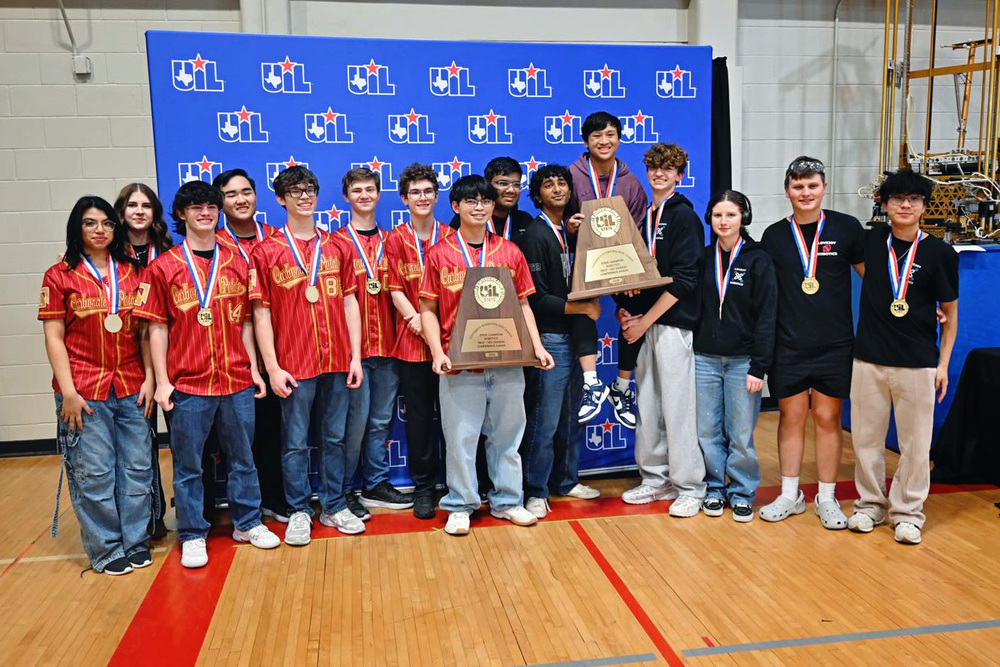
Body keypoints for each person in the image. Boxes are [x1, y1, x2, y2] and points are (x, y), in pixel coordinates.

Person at [136, 180, 280, 569]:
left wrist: (254, 368)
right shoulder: (162, 267)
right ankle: (192, 533)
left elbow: (247, 321)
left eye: (211, 207)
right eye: (196, 207)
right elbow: (157, 329)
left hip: (235, 379)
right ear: (181, 215)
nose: (205, 213)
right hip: (189, 384)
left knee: (243, 458)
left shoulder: (237, 260)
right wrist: (164, 381)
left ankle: (247, 522)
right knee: (189, 465)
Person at [420, 175, 554, 536]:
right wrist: (437, 352)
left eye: (485, 201)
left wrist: (536, 347)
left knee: (508, 437)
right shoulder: (439, 254)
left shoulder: (510, 252)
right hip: (460, 365)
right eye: (470, 201)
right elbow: (428, 309)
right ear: (455, 206)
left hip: (508, 361)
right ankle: (461, 504)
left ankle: (508, 501)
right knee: (461, 439)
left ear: (494, 207)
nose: (479, 207)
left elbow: (525, 303)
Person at [250, 166, 365, 546]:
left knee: (334, 438)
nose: (304, 196)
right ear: (280, 198)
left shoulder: (338, 246)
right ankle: (300, 509)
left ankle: (333, 504)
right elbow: (261, 312)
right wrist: (272, 367)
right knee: (295, 441)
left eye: (310, 189)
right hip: (293, 364)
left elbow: (351, 302)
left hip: (336, 360)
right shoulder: (265, 251)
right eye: (295, 191)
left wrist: (355, 356)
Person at [39, 196, 154, 576]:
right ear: (78, 229)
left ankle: (136, 540)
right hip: (84, 390)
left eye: (106, 222)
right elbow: (54, 336)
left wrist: (151, 378)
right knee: (96, 472)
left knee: (137, 469)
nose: (100, 230)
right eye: (90, 223)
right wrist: (68, 392)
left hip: (132, 385)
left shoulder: (133, 272)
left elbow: (144, 334)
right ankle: (106, 548)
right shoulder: (59, 275)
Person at [847, 169, 958, 544]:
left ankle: (908, 513)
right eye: (898, 199)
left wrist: (941, 365)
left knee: (915, 444)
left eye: (913, 199)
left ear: (924, 207)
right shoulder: (870, 243)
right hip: (869, 360)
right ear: (884, 205)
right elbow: (870, 276)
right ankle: (869, 506)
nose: (905, 205)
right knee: (865, 440)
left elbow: (950, 316)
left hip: (917, 363)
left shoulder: (941, 253)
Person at [758, 156, 865, 529]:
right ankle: (790, 493)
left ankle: (827, 496)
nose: (806, 193)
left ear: (824, 187)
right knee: (791, 416)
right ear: (787, 190)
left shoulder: (847, 228)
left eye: (812, 185)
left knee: (827, 417)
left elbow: (878, 280)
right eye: (798, 186)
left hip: (835, 344)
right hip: (788, 344)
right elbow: (761, 290)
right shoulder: (773, 235)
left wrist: (919, 306)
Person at [619, 144, 706, 515]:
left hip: (672, 325)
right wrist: (626, 311)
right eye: (654, 168)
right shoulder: (645, 216)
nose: (659, 174)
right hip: (645, 323)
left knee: (677, 407)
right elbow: (635, 274)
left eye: (668, 169)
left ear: (679, 175)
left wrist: (644, 321)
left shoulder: (684, 217)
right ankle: (656, 479)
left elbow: (686, 280)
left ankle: (690, 485)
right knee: (650, 404)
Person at [518, 164, 603, 518]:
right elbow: (535, 297)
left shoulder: (568, 232)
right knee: (545, 418)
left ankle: (566, 480)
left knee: (571, 415)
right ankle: (535, 489)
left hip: (575, 335)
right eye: (548, 185)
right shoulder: (535, 235)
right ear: (537, 194)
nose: (557, 189)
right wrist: (579, 306)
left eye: (562, 183)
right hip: (549, 337)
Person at [335, 168, 413, 519]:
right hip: (353, 352)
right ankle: (343, 491)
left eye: (370, 189)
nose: (364, 195)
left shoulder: (394, 240)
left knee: (380, 422)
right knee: (353, 426)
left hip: (391, 345)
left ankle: (375, 484)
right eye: (357, 190)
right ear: (346, 197)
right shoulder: (335, 243)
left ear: (379, 195)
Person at [694, 191, 777, 522]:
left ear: (744, 217)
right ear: (710, 219)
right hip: (705, 359)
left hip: (744, 361)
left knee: (740, 432)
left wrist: (760, 366)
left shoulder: (759, 259)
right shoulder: (702, 258)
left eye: (730, 215)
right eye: (717, 215)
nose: (724, 222)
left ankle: (742, 491)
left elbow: (768, 316)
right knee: (707, 430)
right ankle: (715, 488)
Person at [212, 169, 286, 524]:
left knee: (274, 432)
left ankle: (273, 498)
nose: (241, 199)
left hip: (278, 352)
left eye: (246, 191)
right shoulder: (210, 243)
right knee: (236, 439)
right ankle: (238, 508)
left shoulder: (276, 238)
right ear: (219, 203)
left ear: (257, 196)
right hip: (230, 355)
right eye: (231, 194)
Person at [567, 112, 650, 428]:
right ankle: (592, 383)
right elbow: (558, 219)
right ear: (586, 141)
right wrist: (569, 224)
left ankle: (623, 384)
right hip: (582, 263)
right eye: (597, 136)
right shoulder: (572, 176)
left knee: (636, 305)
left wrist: (632, 275)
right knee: (581, 306)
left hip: (619, 261)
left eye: (611, 134)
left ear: (619, 138)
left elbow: (638, 230)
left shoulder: (630, 182)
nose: (604, 141)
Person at [384, 163, 453, 519]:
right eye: (415, 192)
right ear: (404, 198)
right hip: (413, 343)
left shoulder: (451, 235)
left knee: (457, 419)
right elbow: (394, 288)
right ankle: (425, 488)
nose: (422, 197)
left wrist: (437, 328)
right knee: (421, 420)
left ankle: (457, 486)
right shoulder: (394, 239)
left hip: (453, 342)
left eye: (428, 191)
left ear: (436, 196)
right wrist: (415, 319)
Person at [114, 183, 171, 540]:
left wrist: (156, 374)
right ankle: (145, 518)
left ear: (155, 213)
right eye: (132, 205)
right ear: (121, 211)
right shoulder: (107, 254)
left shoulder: (167, 252)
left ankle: (161, 512)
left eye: (146, 205)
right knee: (140, 443)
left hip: (167, 358)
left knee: (179, 443)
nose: (139, 211)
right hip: (125, 359)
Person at [448, 156, 534, 244]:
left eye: (516, 185)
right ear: (488, 185)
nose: (511, 190)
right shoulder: (468, 219)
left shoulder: (525, 220)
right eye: (503, 183)